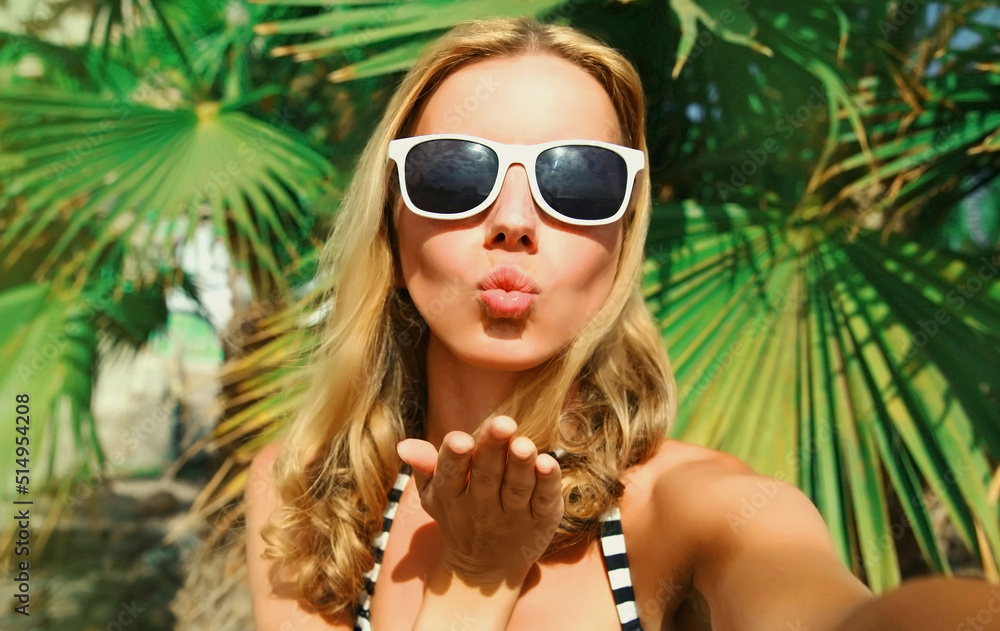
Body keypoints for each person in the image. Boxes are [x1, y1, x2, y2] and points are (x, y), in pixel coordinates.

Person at [245, 16, 997, 631]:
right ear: (393, 215)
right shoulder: (306, 492)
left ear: (622, 237)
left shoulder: (696, 507)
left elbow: (855, 618)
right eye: (455, 172)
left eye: (576, 179)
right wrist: (473, 585)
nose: (512, 221)